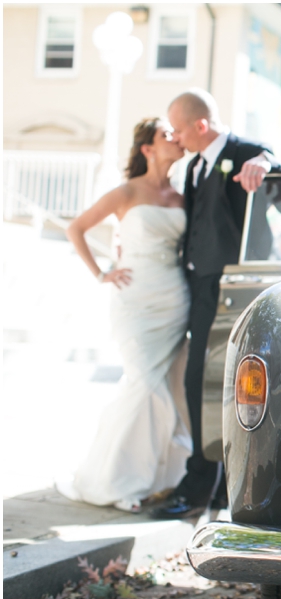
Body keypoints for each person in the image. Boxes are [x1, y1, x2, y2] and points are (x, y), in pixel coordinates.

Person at [151, 89, 281, 519]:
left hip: (237, 289)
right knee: (198, 382)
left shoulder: (248, 153)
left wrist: (267, 167)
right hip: (198, 287)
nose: (176, 137)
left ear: (201, 126)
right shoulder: (192, 168)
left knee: (226, 385)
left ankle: (210, 486)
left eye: (179, 129)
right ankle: (213, 484)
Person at [55, 118, 191, 513]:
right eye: (167, 135)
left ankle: (157, 478)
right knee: (144, 385)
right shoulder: (128, 191)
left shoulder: (184, 196)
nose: (176, 139)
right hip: (134, 300)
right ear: (147, 148)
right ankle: (114, 478)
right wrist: (101, 272)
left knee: (167, 386)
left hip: (174, 299)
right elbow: (75, 228)